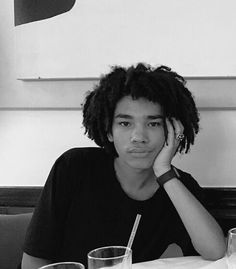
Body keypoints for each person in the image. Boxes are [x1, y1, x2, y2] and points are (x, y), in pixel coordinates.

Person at [21, 63, 226, 269]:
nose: (138, 137)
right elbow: (34, 260)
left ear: (173, 130)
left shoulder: (178, 188)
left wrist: (164, 171)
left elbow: (215, 251)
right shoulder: (75, 168)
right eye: (125, 124)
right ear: (109, 130)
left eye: (153, 123)